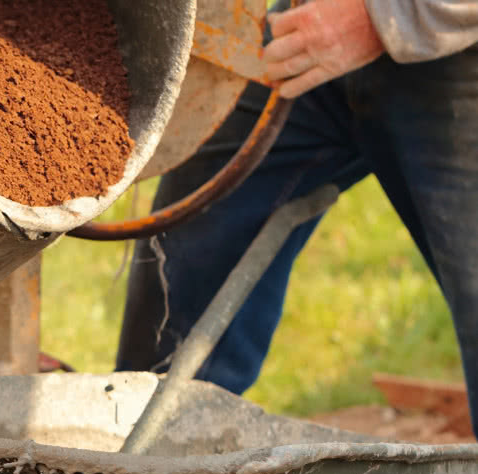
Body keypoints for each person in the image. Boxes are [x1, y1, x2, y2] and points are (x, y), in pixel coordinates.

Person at [116, 0, 478, 434]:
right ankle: (152, 469)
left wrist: (385, 16)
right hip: (309, 26)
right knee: (187, 261)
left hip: (455, 50)